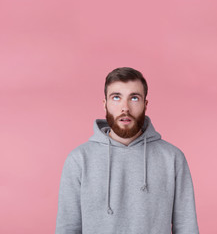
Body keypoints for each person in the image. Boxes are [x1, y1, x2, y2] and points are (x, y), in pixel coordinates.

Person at [55, 67, 200, 234]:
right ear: (105, 104)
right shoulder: (79, 159)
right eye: (116, 97)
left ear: (145, 104)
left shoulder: (172, 158)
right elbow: (67, 228)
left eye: (134, 98)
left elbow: (186, 227)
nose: (125, 108)